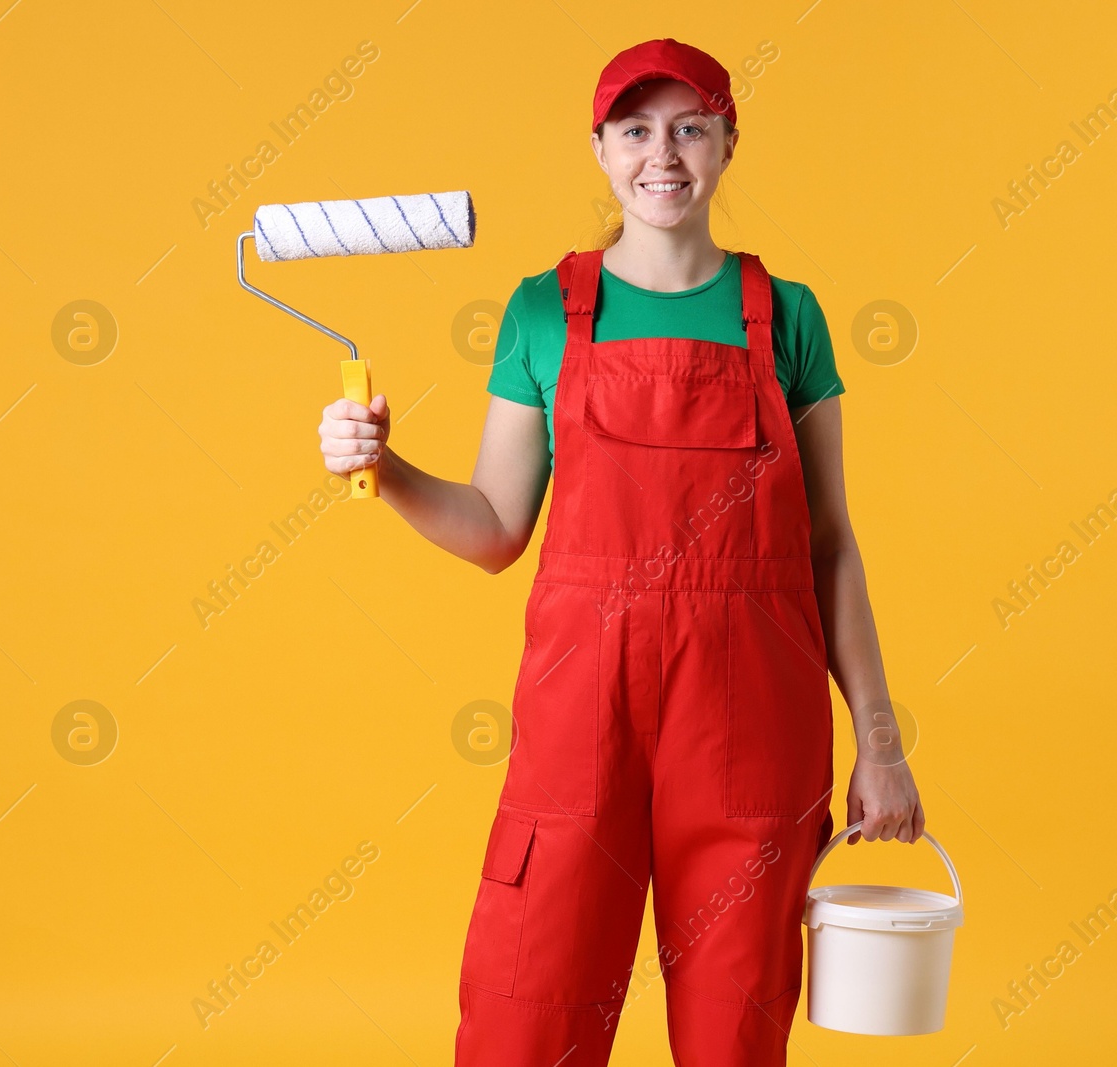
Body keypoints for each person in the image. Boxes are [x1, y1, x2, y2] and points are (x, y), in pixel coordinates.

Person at [316, 37, 925, 1067]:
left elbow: (829, 545)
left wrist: (881, 741)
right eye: (637, 130)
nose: (664, 154)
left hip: (751, 727)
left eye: (690, 127)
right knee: (526, 1014)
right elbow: (495, 528)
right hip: (579, 718)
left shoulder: (787, 316)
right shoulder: (542, 312)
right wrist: (385, 467)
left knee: (736, 1028)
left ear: (729, 143)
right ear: (599, 149)